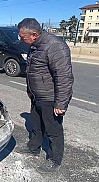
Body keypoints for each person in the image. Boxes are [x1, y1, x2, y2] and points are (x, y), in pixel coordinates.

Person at [15, 18, 74, 173]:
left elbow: (64, 77)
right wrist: (30, 89)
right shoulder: (34, 46)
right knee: (35, 124)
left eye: (23, 37)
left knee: (53, 130)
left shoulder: (55, 47)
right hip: (37, 95)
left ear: (34, 34)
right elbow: (31, 71)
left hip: (50, 97)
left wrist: (61, 103)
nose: (21, 39)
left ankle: (55, 159)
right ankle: (33, 147)